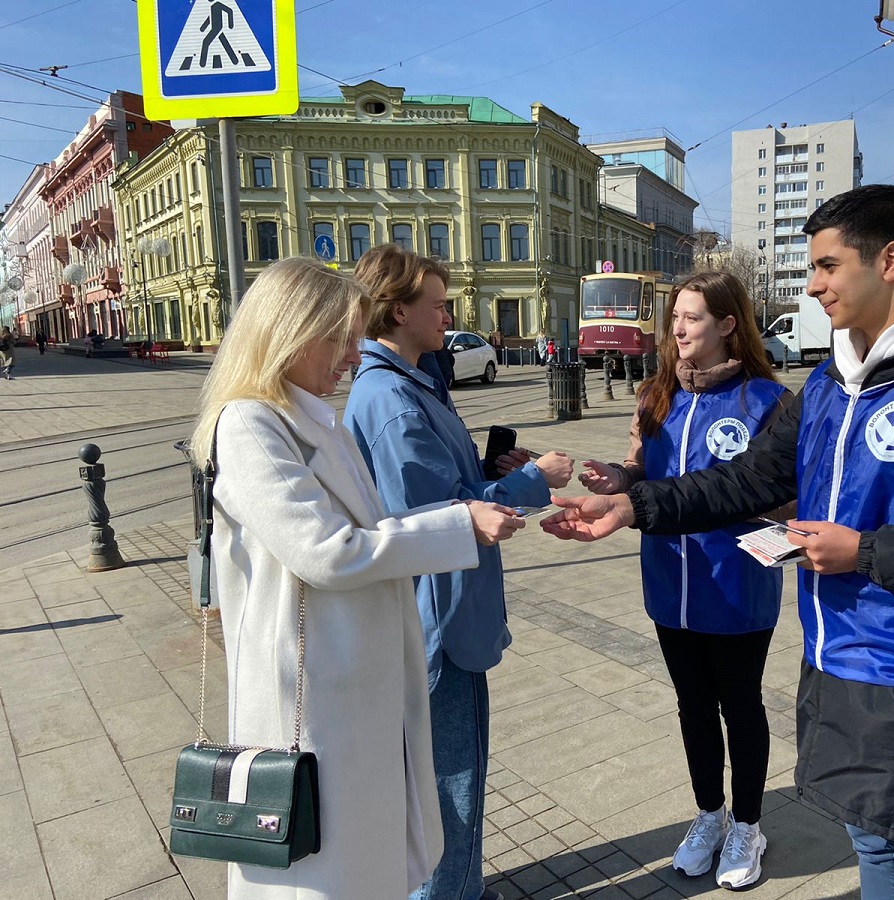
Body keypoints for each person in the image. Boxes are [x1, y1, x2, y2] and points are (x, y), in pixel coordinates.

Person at [540, 184, 894, 899]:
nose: (811, 285)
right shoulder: (828, 384)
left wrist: (867, 552)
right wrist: (635, 507)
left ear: (890, 260)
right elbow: (745, 481)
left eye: (825, 265)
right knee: (873, 853)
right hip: (837, 662)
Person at [189, 256, 524, 900]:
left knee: (367, 852)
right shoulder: (251, 424)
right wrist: (461, 525)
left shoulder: (314, 419)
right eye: (338, 336)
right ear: (291, 332)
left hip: (353, 678)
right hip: (309, 690)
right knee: (320, 867)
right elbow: (330, 551)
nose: (350, 353)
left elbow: (371, 531)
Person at [343, 245, 575, 900]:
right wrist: (533, 480)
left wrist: (491, 471)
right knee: (450, 789)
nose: (449, 316)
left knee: (453, 781)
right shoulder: (392, 401)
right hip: (436, 628)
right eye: (438, 305)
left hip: (447, 618)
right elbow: (433, 524)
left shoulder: (412, 383)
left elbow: (450, 494)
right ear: (397, 310)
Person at [578, 271, 791, 889]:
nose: (677, 328)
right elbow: (643, 475)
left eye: (692, 318)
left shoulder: (767, 403)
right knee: (694, 708)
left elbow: (785, 493)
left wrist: (767, 515)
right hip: (670, 584)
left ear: (728, 325)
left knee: (740, 707)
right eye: (675, 317)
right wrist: (617, 481)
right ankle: (708, 816)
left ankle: (749, 825)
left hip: (739, 587)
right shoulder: (654, 396)